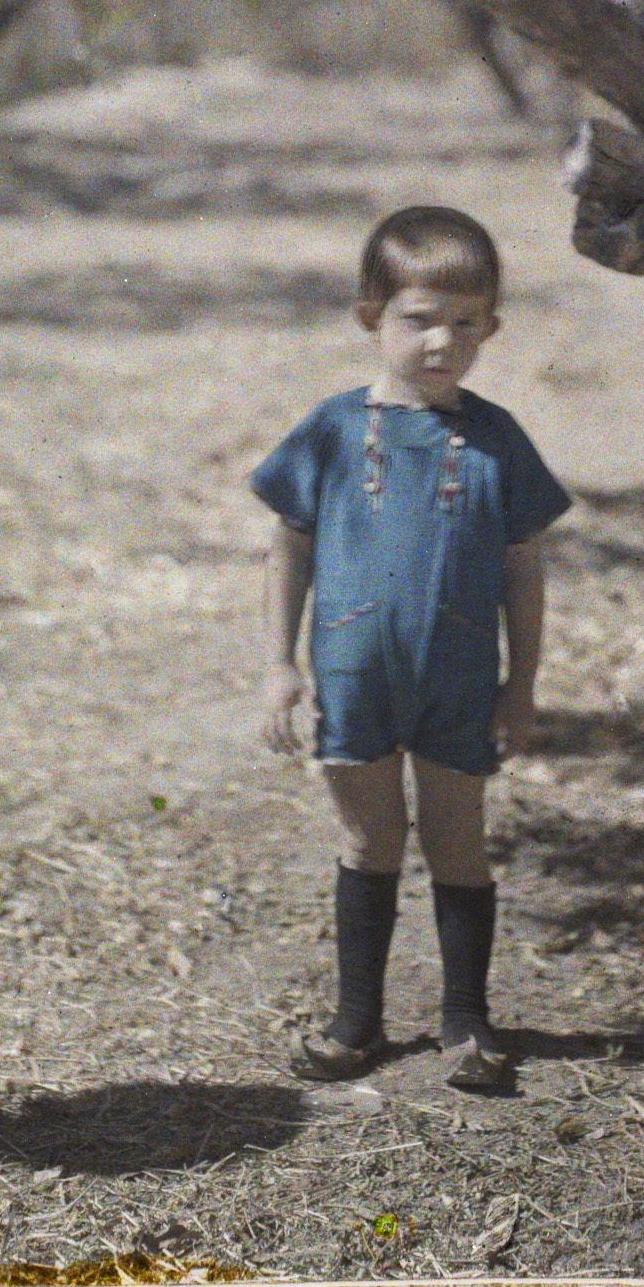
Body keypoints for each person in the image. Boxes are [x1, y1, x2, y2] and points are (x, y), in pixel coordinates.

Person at [250, 206, 571, 1091]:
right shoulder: (328, 431)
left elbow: (523, 572)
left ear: (493, 328)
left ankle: (466, 1022)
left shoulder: (498, 441)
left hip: (459, 677)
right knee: (368, 839)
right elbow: (289, 547)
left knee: (456, 839)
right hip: (353, 677)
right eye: (419, 318)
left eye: (466, 323)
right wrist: (280, 666)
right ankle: (356, 1023)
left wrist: (522, 685)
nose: (443, 341)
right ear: (370, 317)